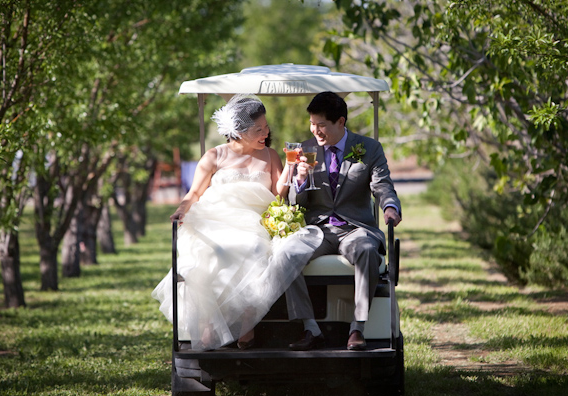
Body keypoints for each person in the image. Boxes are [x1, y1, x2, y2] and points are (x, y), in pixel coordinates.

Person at [151, 94, 322, 351]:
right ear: (239, 131)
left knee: (253, 248)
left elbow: (279, 194)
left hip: (252, 222)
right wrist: (181, 209)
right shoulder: (214, 156)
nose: (265, 133)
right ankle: (209, 324)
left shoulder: (270, 155)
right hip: (214, 219)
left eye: (266, 127)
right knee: (212, 252)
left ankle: (246, 324)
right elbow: (194, 193)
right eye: (258, 130)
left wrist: (289, 167)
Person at [284, 91, 402, 351]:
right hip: (318, 230)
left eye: (322, 125)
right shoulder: (305, 149)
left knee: (368, 251)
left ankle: (358, 327)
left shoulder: (368, 148)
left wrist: (390, 207)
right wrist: (300, 180)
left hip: (355, 228)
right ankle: (310, 328)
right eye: (312, 124)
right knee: (286, 253)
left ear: (340, 122)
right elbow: (295, 203)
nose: (316, 130)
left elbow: (382, 185)